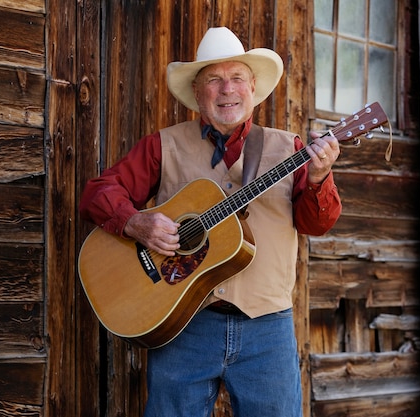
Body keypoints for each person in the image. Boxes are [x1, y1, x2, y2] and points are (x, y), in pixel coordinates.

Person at [80, 26, 342, 417]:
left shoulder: (291, 149)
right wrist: (136, 223)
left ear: (252, 87)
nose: (227, 90)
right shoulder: (162, 145)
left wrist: (320, 178)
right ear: (197, 92)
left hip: (266, 327)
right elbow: (98, 193)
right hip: (185, 324)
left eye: (237, 78)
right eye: (214, 80)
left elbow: (316, 224)